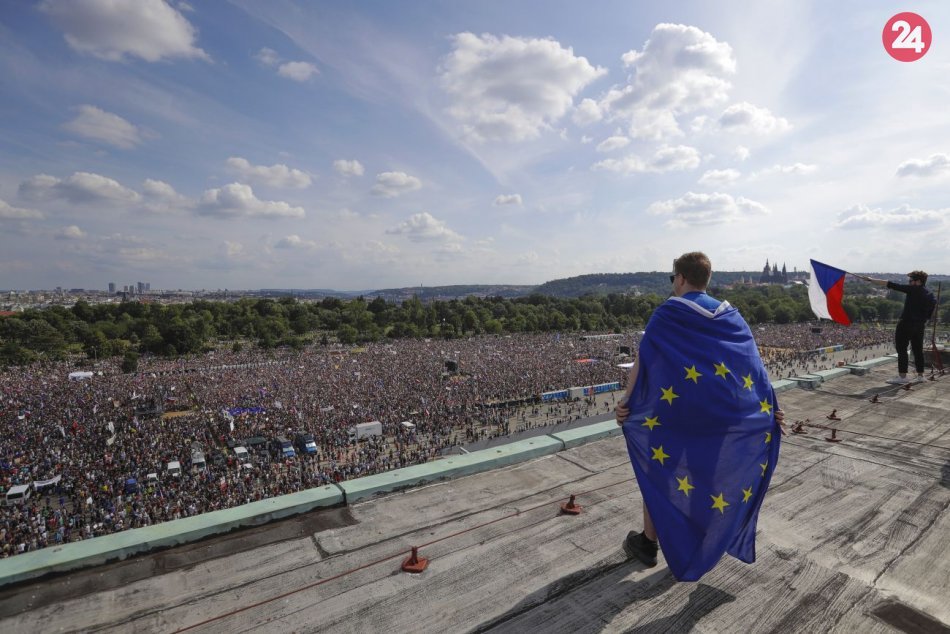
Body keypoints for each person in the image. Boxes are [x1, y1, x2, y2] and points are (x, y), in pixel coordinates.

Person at [614, 251, 784, 581]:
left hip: (676, 416)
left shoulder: (668, 312)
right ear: (707, 280)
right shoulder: (733, 315)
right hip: (720, 419)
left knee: (659, 473)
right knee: (709, 476)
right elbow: (753, 367)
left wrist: (626, 401)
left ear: (680, 278)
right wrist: (771, 407)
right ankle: (703, 539)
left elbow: (643, 358)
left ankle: (649, 543)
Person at [866, 271, 937, 384]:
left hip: (906, 323)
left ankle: (902, 377)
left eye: (911, 281)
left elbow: (891, 284)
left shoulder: (914, 290)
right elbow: (931, 311)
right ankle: (920, 375)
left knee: (902, 349)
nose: (909, 283)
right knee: (918, 350)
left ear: (918, 281)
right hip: (920, 325)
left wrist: (871, 279)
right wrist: (923, 320)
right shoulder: (930, 293)